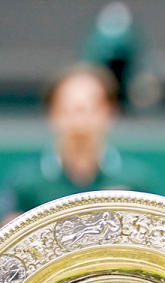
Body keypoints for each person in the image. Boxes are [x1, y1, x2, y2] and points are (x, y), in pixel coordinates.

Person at [1, 62, 153, 224]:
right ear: (52, 112)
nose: (80, 116)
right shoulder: (24, 182)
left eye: (91, 106)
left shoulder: (136, 180)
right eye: (69, 107)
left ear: (110, 111)